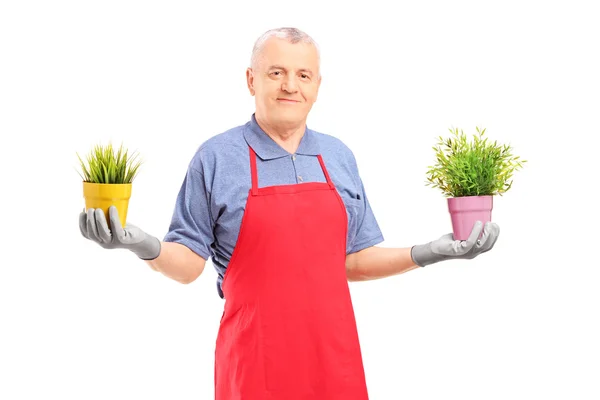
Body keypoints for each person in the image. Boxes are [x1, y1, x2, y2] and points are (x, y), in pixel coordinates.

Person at [79, 27, 500, 400]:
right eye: (276, 72)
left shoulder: (338, 155)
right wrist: (139, 243)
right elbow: (188, 265)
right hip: (254, 363)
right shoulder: (216, 157)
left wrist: (431, 251)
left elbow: (353, 260)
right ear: (251, 80)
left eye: (303, 75)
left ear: (317, 85)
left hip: (335, 362)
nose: (290, 86)